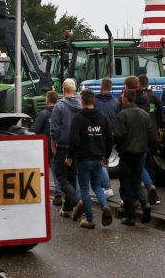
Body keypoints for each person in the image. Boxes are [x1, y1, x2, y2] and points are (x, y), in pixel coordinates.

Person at [67, 89, 113, 229]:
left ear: (82, 101)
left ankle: (89, 219)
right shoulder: (103, 117)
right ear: (94, 101)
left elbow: (74, 139)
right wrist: (106, 156)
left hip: (84, 158)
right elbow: (109, 138)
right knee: (97, 186)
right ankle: (105, 206)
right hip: (98, 157)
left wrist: (70, 156)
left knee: (85, 189)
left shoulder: (78, 117)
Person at [114, 89, 155, 226]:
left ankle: (131, 216)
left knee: (125, 185)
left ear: (126, 99)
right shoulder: (144, 114)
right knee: (137, 182)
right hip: (141, 153)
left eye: (122, 97)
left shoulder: (122, 115)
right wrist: (146, 147)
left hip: (126, 154)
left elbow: (118, 136)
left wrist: (116, 146)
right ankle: (145, 204)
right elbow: (151, 135)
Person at [124, 75, 161, 205]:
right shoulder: (147, 98)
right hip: (146, 136)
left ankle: (134, 199)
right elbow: (160, 115)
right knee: (144, 165)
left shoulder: (128, 101)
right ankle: (150, 186)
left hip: (132, 138)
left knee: (134, 169)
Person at [50, 78, 83, 218]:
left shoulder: (59, 107)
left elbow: (54, 130)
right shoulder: (80, 105)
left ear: (63, 89)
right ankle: (68, 208)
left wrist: (54, 146)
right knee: (71, 176)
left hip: (63, 146)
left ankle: (75, 200)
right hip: (76, 146)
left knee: (60, 175)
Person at [32, 90, 62, 206]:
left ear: (47, 100)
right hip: (61, 144)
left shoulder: (44, 114)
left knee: (54, 172)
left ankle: (58, 194)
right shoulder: (60, 112)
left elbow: (36, 131)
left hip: (49, 147)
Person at [94, 77, 120, 198]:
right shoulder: (116, 102)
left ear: (101, 87)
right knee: (106, 160)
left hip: (98, 135)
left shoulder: (95, 101)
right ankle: (104, 186)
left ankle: (107, 187)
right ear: (111, 88)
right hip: (112, 135)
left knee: (100, 162)